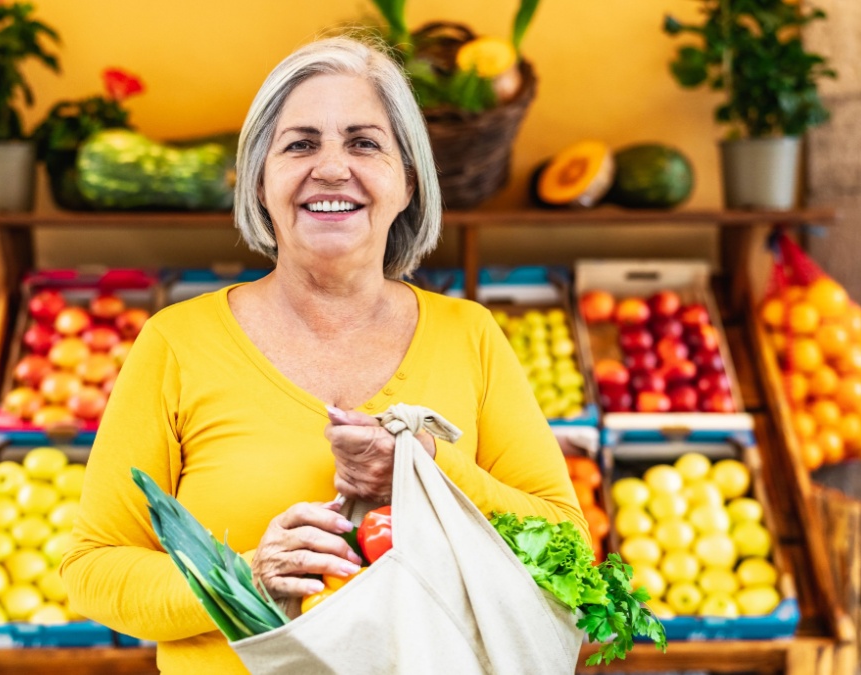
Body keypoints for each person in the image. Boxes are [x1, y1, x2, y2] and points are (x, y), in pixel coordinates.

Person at [61, 36, 587, 674]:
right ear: (260, 181)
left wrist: (431, 472)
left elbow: (570, 553)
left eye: (364, 143)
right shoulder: (177, 344)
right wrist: (243, 579)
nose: (332, 168)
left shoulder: (468, 336)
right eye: (300, 144)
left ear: (408, 183)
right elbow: (93, 568)